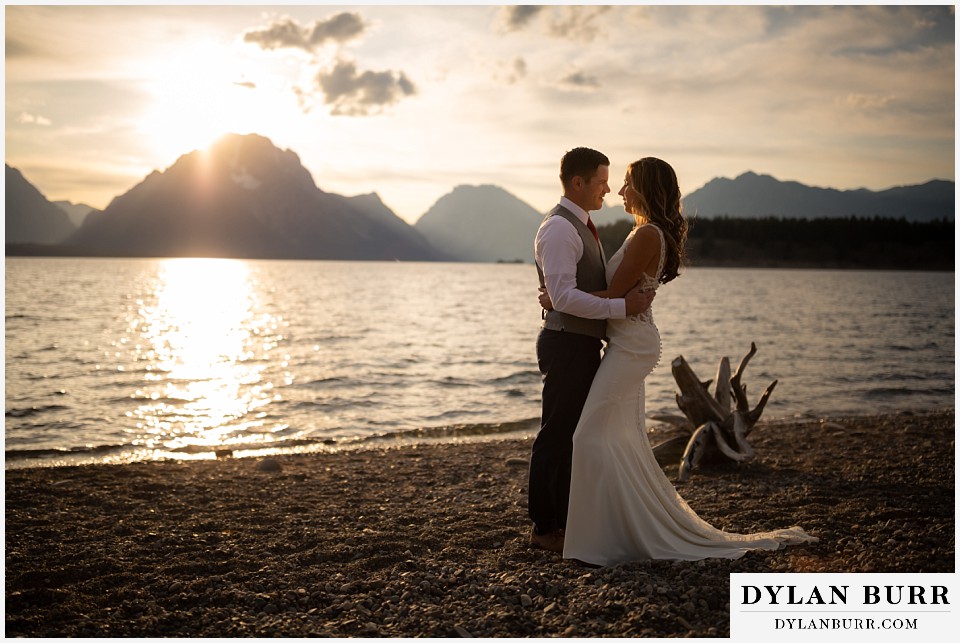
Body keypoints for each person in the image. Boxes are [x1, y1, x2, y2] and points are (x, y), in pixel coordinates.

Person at [542, 157, 817, 566]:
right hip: (627, 342)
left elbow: (616, 298)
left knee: (589, 437)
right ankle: (611, 529)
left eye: (627, 184)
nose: (619, 191)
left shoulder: (648, 236)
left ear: (647, 189)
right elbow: (617, 296)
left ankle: (598, 537)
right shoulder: (644, 233)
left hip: (631, 345)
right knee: (616, 437)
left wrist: (558, 300)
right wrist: (582, 300)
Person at [529, 147, 655, 554]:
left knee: (573, 435)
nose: (607, 189)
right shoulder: (560, 229)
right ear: (577, 182)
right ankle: (544, 527)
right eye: (601, 181)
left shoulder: (581, 225)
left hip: (580, 342)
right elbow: (564, 297)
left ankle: (566, 522)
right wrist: (621, 307)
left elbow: (564, 293)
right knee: (557, 434)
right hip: (565, 342)